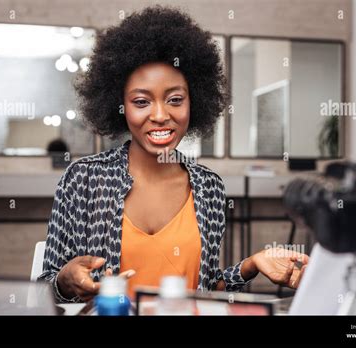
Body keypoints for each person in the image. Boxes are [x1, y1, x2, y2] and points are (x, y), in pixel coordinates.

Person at [39, 5, 309, 303]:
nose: (160, 115)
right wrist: (64, 282)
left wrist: (250, 266)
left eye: (175, 100)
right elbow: (45, 290)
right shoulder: (83, 179)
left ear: (194, 102)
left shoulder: (209, 187)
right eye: (141, 101)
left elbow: (204, 291)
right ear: (121, 106)